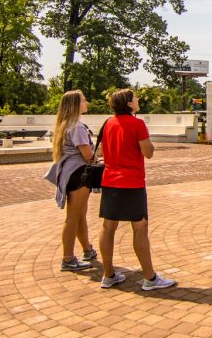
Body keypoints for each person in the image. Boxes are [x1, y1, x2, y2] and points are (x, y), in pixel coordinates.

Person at [97, 89, 176, 290]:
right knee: (140, 228)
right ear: (129, 104)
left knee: (108, 227)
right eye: (135, 98)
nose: (138, 100)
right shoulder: (137, 124)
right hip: (131, 182)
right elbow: (147, 152)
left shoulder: (108, 124)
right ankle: (150, 278)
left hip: (109, 181)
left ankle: (108, 274)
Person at [42, 90, 98, 272]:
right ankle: (67, 258)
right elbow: (88, 155)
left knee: (79, 214)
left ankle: (87, 249)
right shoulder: (78, 127)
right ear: (75, 105)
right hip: (79, 174)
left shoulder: (65, 125)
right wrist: (98, 158)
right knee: (74, 216)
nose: (86, 103)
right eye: (83, 100)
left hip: (70, 173)